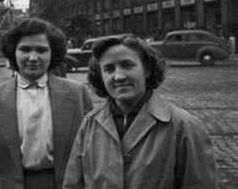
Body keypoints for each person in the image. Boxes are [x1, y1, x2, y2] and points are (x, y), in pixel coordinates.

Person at [63, 34, 217, 189]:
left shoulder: (183, 126)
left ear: (147, 70)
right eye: (109, 69)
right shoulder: (89, 125)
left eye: (128, 65)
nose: (119, 76)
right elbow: (73, 184)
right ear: (101, 77)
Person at [0, 18, 93, 189]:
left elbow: (92, 153)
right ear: (14, 52)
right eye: (25, 49)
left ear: (53, 53)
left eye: (42, 50)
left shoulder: (78, 93)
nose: (33, 58)